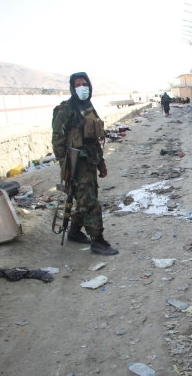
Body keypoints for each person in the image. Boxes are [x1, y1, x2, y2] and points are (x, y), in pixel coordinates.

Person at [51, 72, 118, 256]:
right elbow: (57, 139)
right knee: (89, 200)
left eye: (85, 83)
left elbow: (94, 138)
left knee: (85, 197)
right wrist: (64, 167)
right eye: (78, 84)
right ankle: (97, 241)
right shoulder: (67, 109)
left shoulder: (88, 107)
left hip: (90, 161)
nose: (82, 87)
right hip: (76, 163)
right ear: (72, 88)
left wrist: (101, 163)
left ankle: (74, 231)